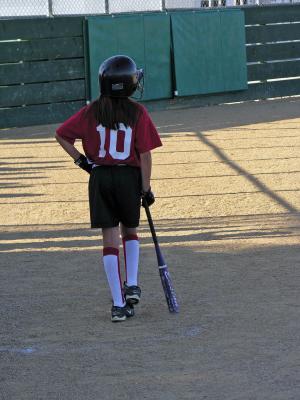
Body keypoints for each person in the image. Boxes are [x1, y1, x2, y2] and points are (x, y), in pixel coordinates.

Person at [55, 55, 162, 322]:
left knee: (109, 239)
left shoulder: (91, 111)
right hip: (129, 177)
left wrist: (82, 161)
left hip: (100, 178)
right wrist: (145, 189)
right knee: (130, 230)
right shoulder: (138, 112)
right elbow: (145, 155)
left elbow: (61, 134)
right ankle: (133, 283)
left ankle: (118, 304)